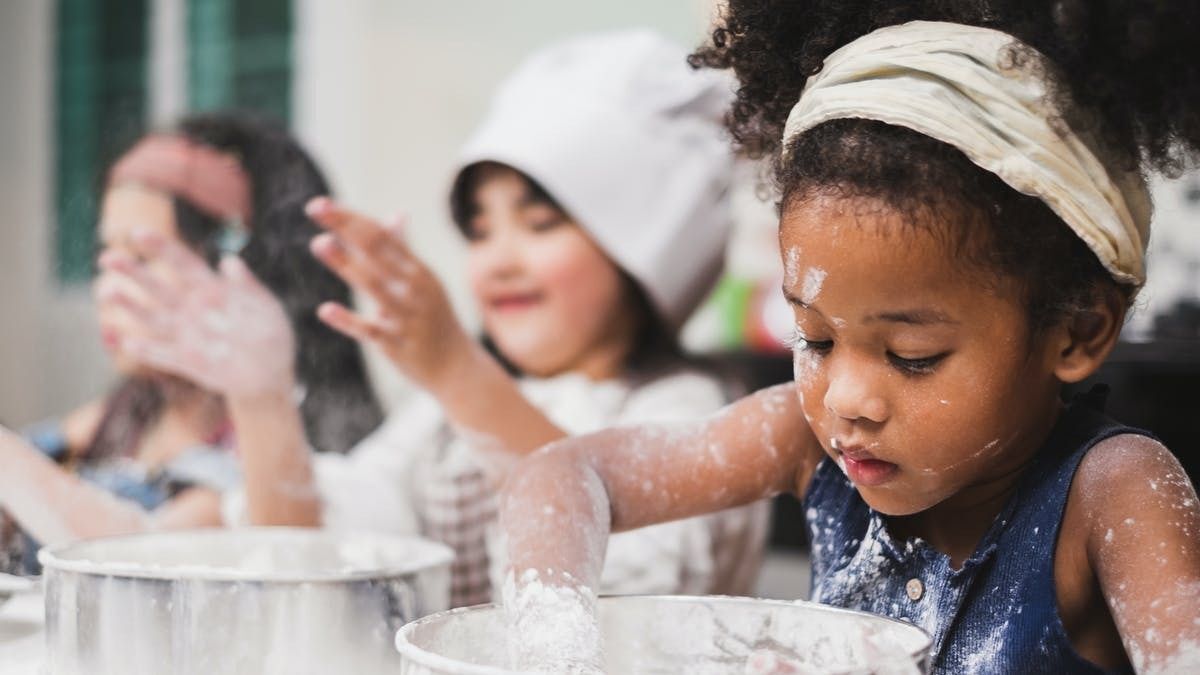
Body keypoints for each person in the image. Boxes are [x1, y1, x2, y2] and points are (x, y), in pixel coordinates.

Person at [496, 3, 1200, 673]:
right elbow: (562, 476)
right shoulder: (808, 441)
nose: (848, 399)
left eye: (911, 356)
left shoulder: (1115, 493)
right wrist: (557, 644)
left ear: (1077, 332)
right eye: (815, 339)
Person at [110, 30, 770, 607]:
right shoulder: (437, 421)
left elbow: (627, 602)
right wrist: (259, 397)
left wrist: (456, 369)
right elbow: (317, 550)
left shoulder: (690, 412)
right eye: (479, 231)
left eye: (540, 223)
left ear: (643, 247)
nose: (498, 261)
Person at [0, 113, 382, 572]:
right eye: (107, 258)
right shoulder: (127, 413)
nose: (110, 290)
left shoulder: (273, 454)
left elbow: (143, 564)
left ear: (242, 274)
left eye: (142, 257)